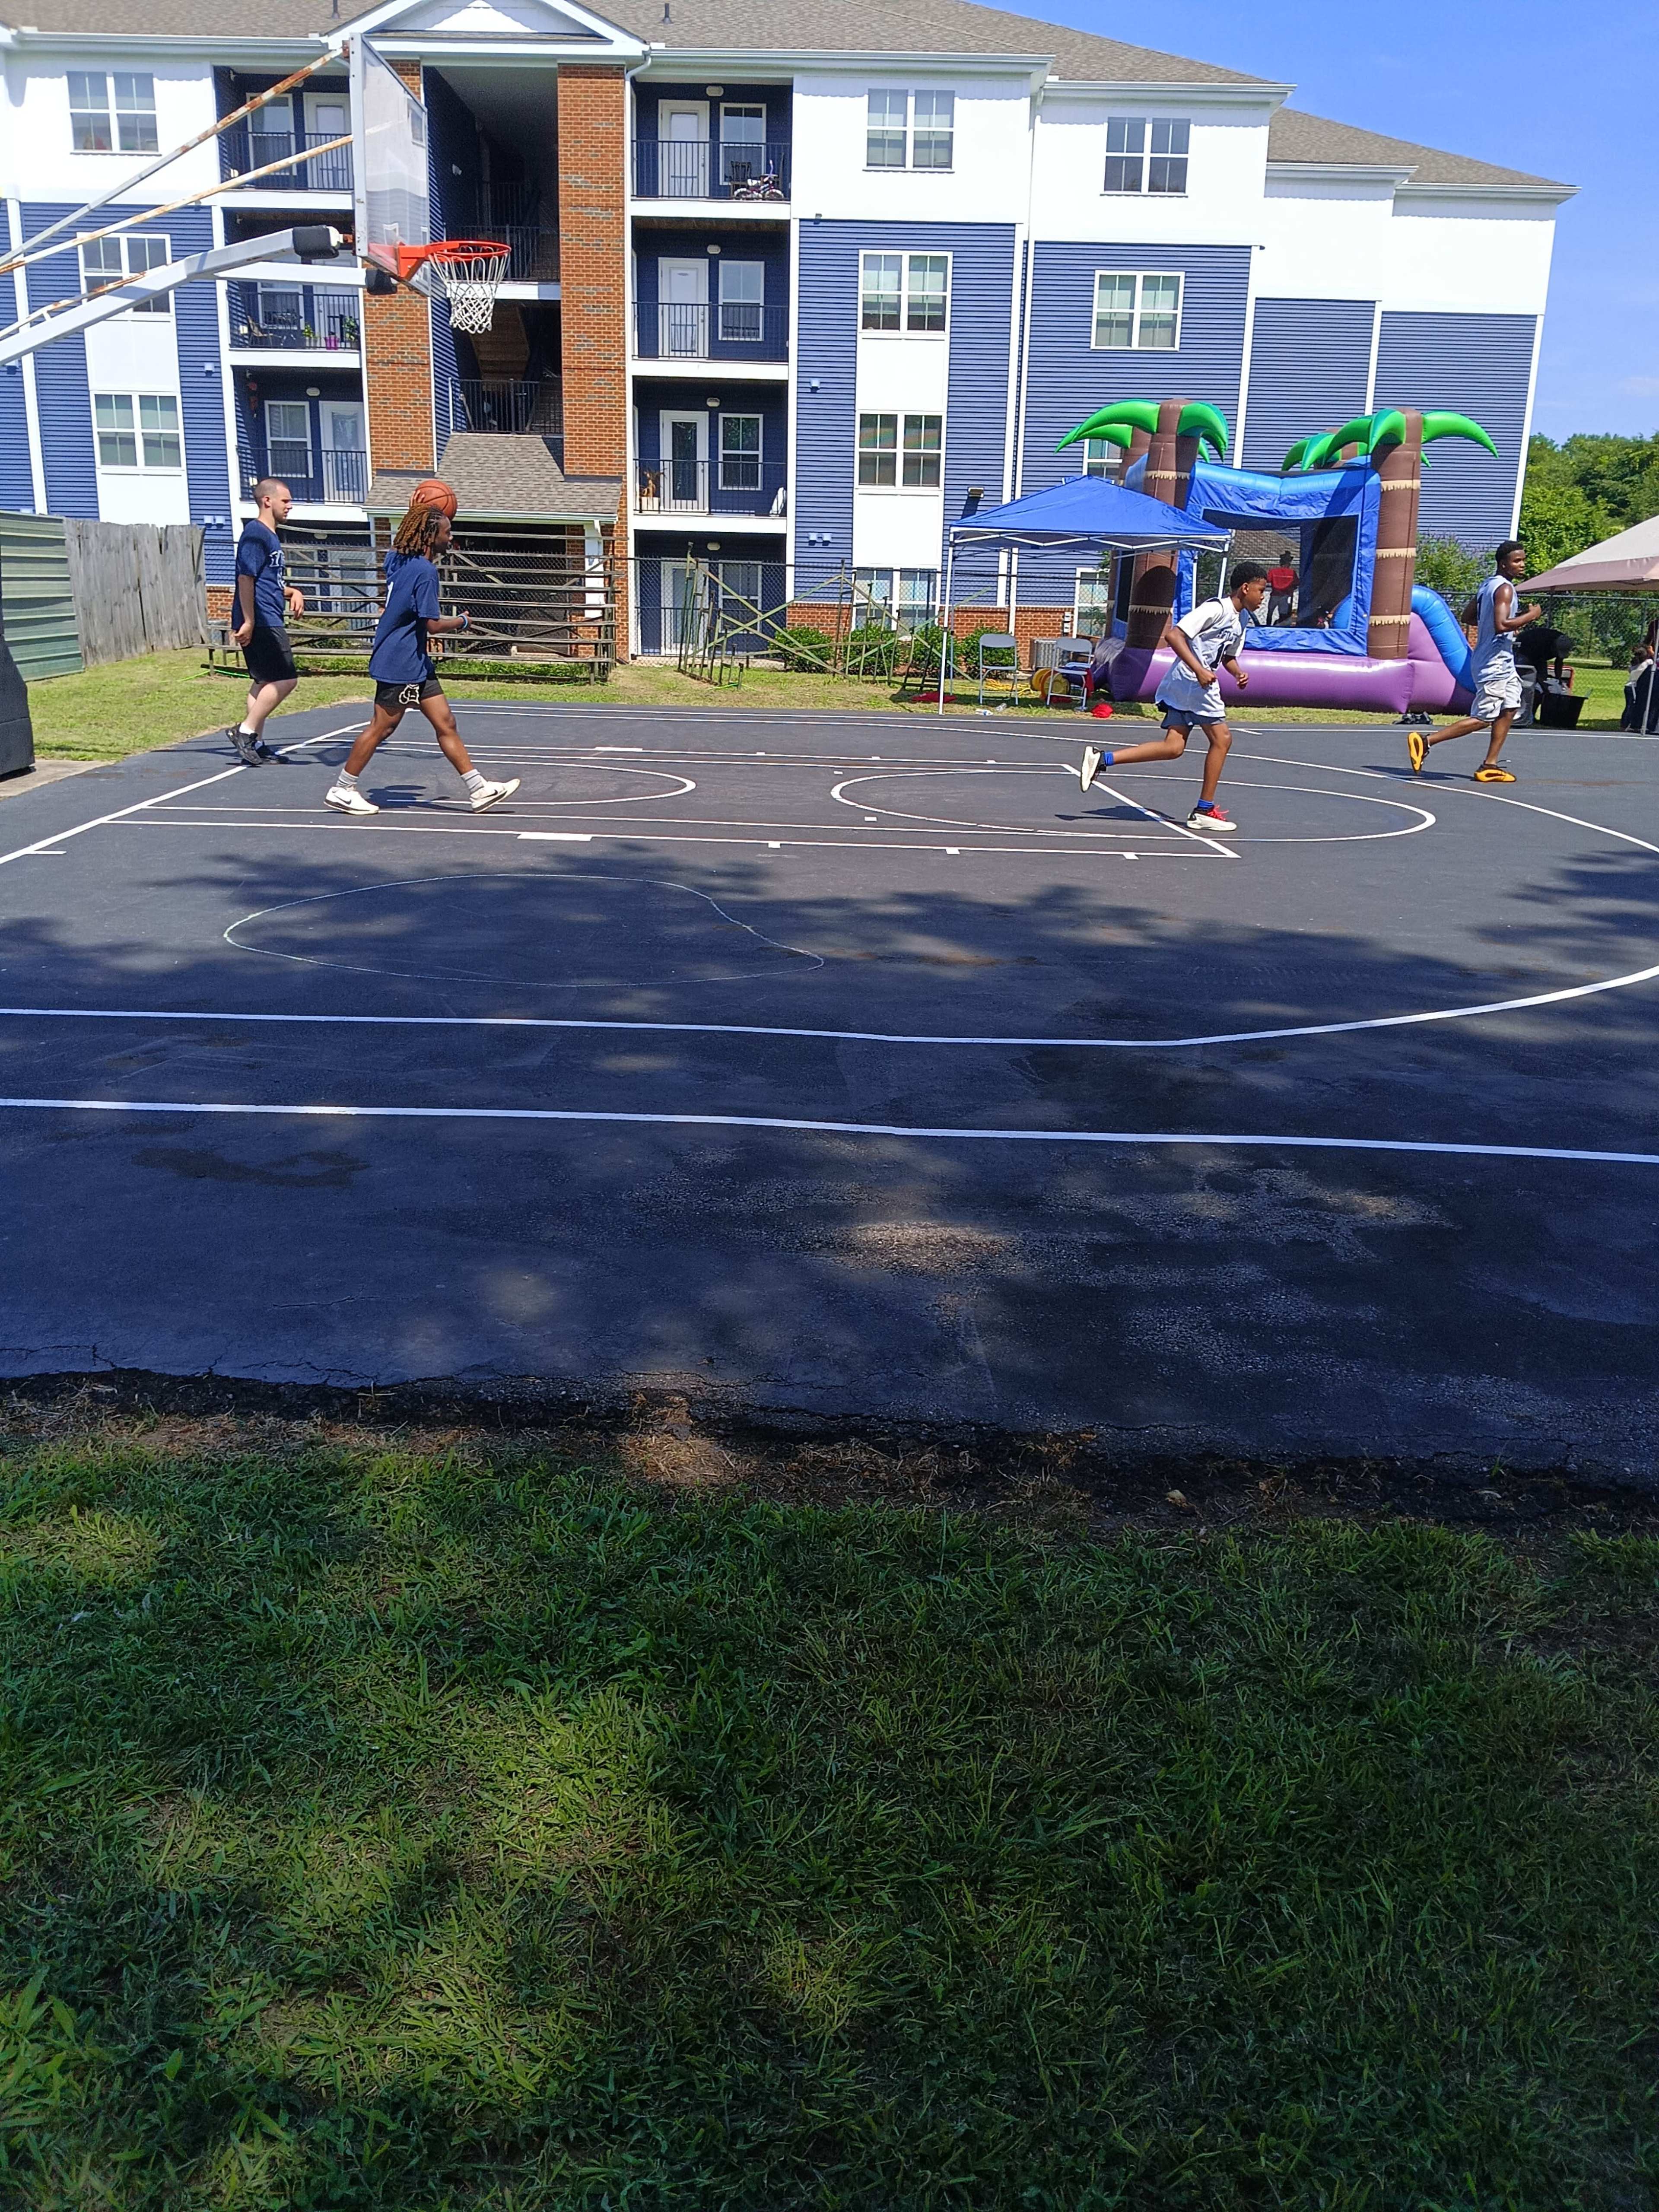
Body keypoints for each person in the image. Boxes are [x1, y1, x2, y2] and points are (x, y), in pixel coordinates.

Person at [324, 503, 518, 818]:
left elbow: (396, 550)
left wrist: (422, 509)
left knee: (446, 722)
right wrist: (462, 622)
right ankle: (343, 789)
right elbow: (432, 625)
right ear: (429, 537)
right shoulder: (425, 572)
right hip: (400, 661)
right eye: (446, 533)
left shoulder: (398, 559)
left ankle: (479, 789)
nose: (450, 538)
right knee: (382, 728)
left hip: (415, 660)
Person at [1078, 562, 1271, 833]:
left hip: (1190, 683)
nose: (1263, 597)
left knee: (1173, 748)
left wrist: (1238, 672)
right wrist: (1200, 670)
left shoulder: (1241, 620)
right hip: (1192, 682)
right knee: (1223, 739)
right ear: (1246, 588)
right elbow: (1174, 635)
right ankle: (1204, 810)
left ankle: (1102, 759)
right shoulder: (1216, 609)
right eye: (1261, 591)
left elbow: (1227, 656)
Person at [1407, 540, 1541, 783]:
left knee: (1510, 707)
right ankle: (1426, 742)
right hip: (1494, 662)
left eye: (1523, 560)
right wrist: (1530, 616)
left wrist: (1509, 624)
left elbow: (1468, 617)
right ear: (1503, 564)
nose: (1522, 564)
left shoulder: (1488, 585)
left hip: (1502, 660)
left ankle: (1490, 765)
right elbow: (1502, 625)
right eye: (1517, 561)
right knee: (1485, 717)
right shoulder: (1505, 589)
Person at [228, 478, 305, 766]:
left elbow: (268, 581)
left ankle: (256, 743)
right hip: (262, 619)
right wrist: (249, 621)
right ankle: (245, 731)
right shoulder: (256, 534)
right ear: (267, 501)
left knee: (264, 683)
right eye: (286, 501)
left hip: (268, 614)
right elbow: (245, 578)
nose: (290, 506)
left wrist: (292, 592)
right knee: (287, 679)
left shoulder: (271, 536)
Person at [1623, 641, 1655, 733]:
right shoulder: (1649, 662)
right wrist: (1652, 653)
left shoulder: (1635, 665)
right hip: (1635, 687)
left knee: (1629, 706)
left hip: (1629, 686)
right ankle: (1630, 724)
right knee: (1633, 707)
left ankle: (1625, 724)